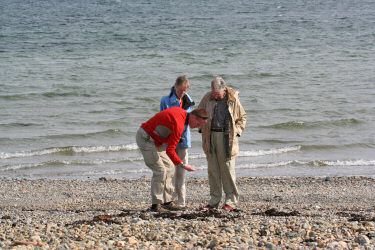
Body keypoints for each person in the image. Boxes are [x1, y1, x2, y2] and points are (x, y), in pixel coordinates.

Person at [136, 107, 208, 212]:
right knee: (160, 170)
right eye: (198, 124)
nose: (198, 127)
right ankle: (156, 205)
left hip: (156, 141)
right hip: (145, 138)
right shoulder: (179, 124)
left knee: (170, 168)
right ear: (193, 117)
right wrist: (183, 165)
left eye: (200, 125)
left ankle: (167, 202)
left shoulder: (183, 115)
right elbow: (170, 150)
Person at [198, 76, 246, 211]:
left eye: (217, 94)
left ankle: (231, 200)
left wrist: (237, 131)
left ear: (224, 90)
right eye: (213, 93)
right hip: (210, 136)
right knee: (213, 170)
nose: (215, 96)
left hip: (227, 137)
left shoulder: (232, 99)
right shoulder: (207, 97)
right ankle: (214, 201)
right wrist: (201, 127)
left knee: (227, 169)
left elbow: (242, 117)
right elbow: (199, 112)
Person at [160, 75, 195, 208]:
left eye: (185, 91)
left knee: (180, 172)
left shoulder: (189, 101)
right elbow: (162, 119)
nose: (182, 93)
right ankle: (168, 200)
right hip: (169, 141)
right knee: (168, 171)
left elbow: (187, 121)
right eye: (180, 90)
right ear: (175, 87)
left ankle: (181, 201)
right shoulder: (165, 101)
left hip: (183, 140)